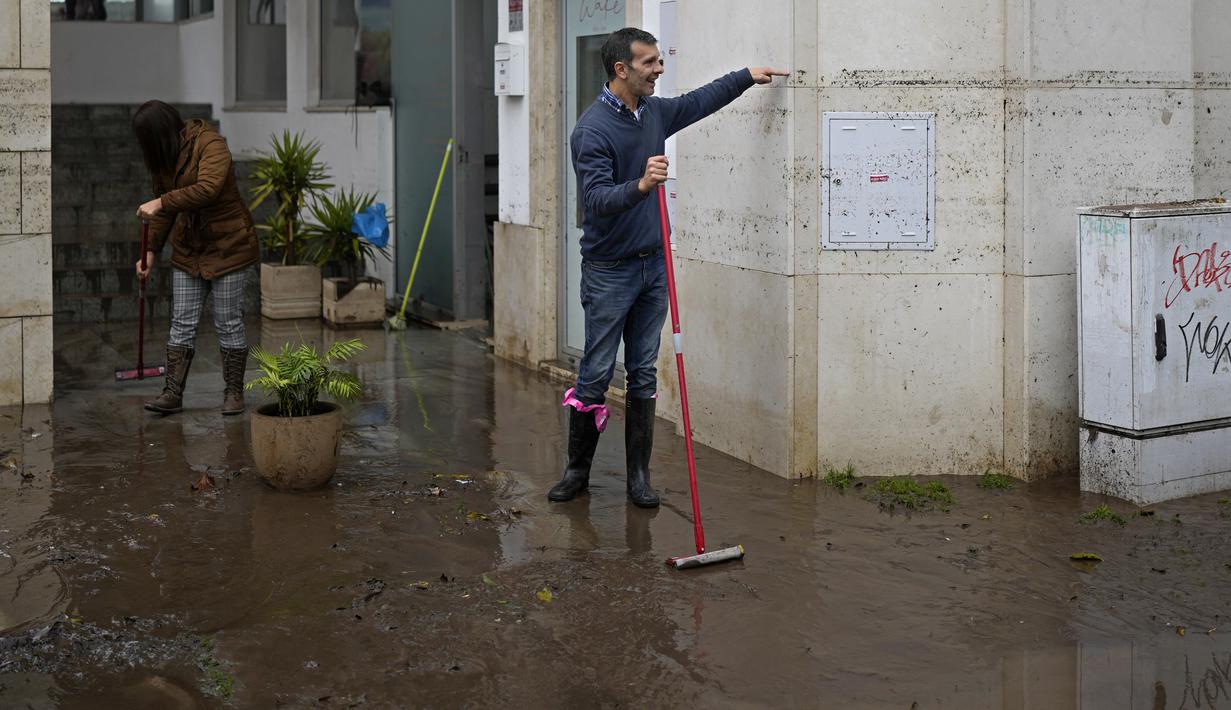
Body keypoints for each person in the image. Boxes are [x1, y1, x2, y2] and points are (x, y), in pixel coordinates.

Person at [548, 27, 787, 507]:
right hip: (609, 271)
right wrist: (640, 185)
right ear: (621, 70)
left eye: (659, 60)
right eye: (650, 62)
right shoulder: (592, 130)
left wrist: (745, 76)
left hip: (654, 267)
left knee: (643, 371)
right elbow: (595, 201)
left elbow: (699, 102)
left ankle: (639, 478)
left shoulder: (654, 112)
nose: (659, 69)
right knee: (596, 372)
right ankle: (577, 473)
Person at [131, 100, 260, 416]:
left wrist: (162, 202)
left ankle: (234, 392)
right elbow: (165, 210)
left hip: (230, 245)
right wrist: (150, 251)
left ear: (160, 134)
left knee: (228, 321)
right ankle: (172, 393)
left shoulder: (211, 144)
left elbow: (208, 189)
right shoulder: (164, 158)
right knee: (182, 321)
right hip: (190, 248)